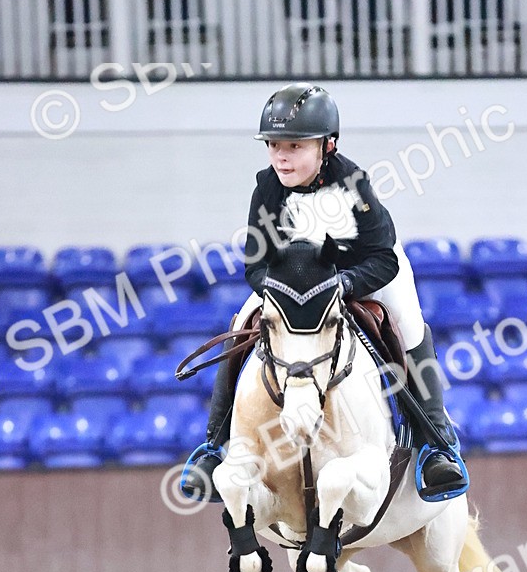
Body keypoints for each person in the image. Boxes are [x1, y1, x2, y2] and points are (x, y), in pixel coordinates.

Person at [182, 81, 467, 501]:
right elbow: (255, 266)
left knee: (408, 321)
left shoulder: (354, 185)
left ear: (326, 146)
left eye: (294, 146)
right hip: (294, 287)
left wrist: (344, 284)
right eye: (274, 144)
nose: (281, 155)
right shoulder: (266, 189)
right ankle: (213, 446)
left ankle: (436, 444)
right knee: (241, 322)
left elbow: (383, 259)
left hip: (366, 273)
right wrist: (281, 291)